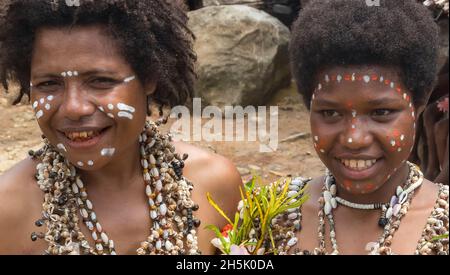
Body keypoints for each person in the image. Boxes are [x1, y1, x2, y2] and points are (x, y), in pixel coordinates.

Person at [0, 0, 242, 255]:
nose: (73, 108)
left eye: (101, 81)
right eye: (49, 84)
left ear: (148, 78)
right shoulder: (9, 208)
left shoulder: (214, 185)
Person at [252, 0, 448, 255]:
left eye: (381, 112)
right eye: (330, 113)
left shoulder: (442, 220)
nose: (354, 139)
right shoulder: (271, 214)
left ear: (418, 107)